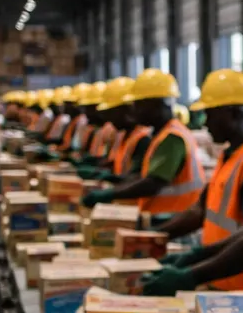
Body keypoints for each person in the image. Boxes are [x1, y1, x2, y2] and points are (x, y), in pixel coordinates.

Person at [143, 67, 243, 291]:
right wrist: (157, 235)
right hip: (216, 278)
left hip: (237, 284)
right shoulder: (230, 155)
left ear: (234, 114)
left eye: (211, 114)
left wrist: (194, 267)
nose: (206, 122)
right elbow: (201, 210)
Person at [81, 69, 204, 218]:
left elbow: (154, 182)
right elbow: (144, 175)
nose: (135, 111)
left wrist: (111, 193)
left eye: (139, 105)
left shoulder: (172, 137)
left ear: (156, 104)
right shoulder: (162, 134)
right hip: (163, 218)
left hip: (173, 220)